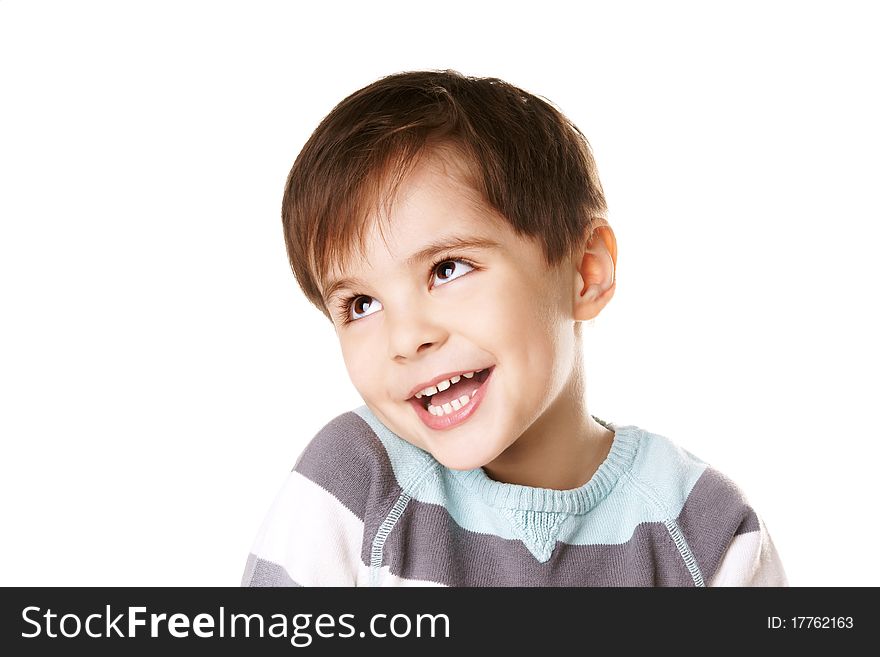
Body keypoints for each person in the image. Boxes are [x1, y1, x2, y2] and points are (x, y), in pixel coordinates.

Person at [241, 70, 787, 587]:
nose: (406, 339)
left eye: (447, 269)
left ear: (584, 272)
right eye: (361, 303)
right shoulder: (354, 481)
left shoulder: (707, 531)